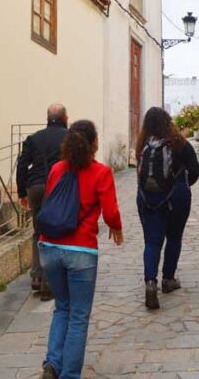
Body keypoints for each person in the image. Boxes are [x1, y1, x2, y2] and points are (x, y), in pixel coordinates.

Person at [38, 120, 123, 379]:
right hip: (81, 250)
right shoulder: (101, 172)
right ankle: (69, 374)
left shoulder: (56, 169)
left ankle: (52, 363)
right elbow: (110, 212)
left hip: (49, 247)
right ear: (94, 142)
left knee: (62, 306)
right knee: (78, 315)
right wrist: (116, 227)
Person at [135, 107, 199, 309]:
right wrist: (182, 184)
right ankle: (168, 279)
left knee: (152, 241)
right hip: (177, 196)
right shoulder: (180, 143)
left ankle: (150, 282)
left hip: (148, 198)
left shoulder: (142, 146)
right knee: (174, 237)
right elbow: (196, 170)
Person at [17, 104, 68, 299]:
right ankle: (49, 281)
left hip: (35, 187)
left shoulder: (34, 138)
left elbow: (22, 165)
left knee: (38, 232)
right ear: (64, 118)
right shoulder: (69, 137)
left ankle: (37, 277)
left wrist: (22, 192)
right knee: (54, 233)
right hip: (57, 188)